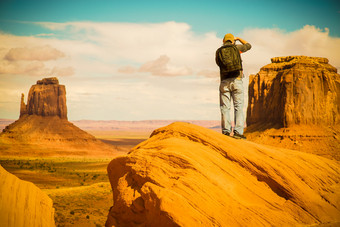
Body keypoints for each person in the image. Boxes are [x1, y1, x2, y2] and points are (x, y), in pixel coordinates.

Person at [215, 33, 251, 139]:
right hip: (237, 80)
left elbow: (218, 63)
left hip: (224, 81)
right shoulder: (237, 48)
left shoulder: (219, 51)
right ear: (232, 41)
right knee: (238, 107)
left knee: (225, 108)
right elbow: (249, 46)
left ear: (223, 41)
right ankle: (238, 133)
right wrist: (239, 38)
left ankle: (226, 132)